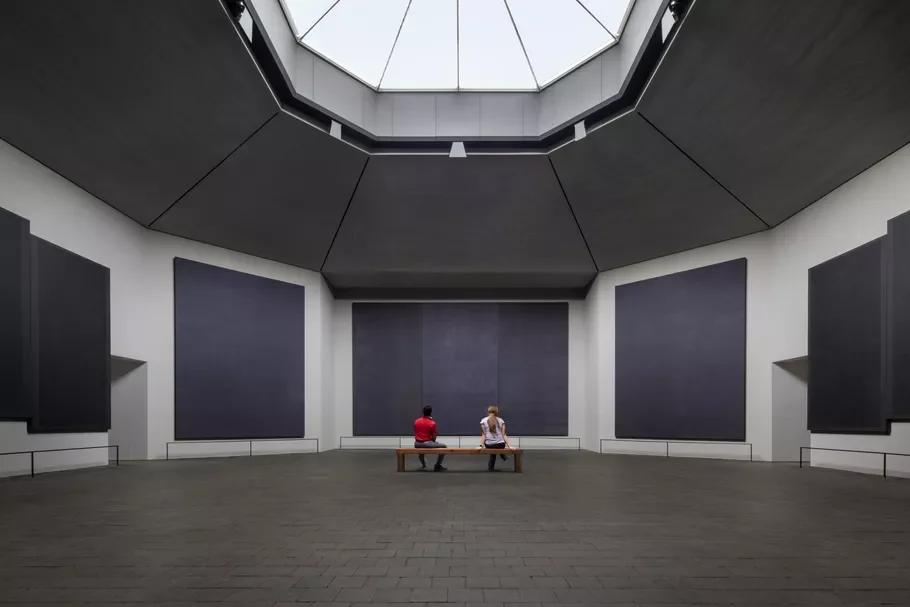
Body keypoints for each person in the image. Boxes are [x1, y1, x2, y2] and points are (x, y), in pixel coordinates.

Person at [479, 405, 512, 471]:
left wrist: (481, 446)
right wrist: (510, 446)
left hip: (489, 445)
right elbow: (504, 435)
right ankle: (503, 456)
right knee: (497, 447)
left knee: (492, 450)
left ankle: (491, 467)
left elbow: (484, 435)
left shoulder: (483, 420)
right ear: (497, 412)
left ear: (488, 412)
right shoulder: (501, 421)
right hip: (501, 444)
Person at [414, 405, 446, 471]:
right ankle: (438, 465)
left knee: (421, 448)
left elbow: (417, 432)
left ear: (423, 412)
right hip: (426, 443)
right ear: (431, 413)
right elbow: (434, 438)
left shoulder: (416, 421)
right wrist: (431, 441)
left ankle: (424, 465)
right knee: (444, 447)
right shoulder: (432, 423)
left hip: (417, 443)